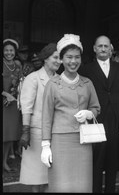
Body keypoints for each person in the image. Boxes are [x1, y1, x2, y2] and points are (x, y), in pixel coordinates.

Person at [40, 34, 100, 192]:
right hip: (59, 141)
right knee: (61, 184)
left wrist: (89, 113)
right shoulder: (52, 84)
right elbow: (46, 117)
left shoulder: (87, 83)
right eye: (69, 57)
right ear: (61, 59)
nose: (73, 61)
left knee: (82, 184)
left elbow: (96, 108)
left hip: (83, 141)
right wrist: (46, 145)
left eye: (77, 57)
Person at [79, 35, 119, 193]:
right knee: (96, 160)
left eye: (106, 46)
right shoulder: (86, 69)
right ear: (94, 48)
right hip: (95, 118)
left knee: (113, 159)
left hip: (115, 117)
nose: (103, 49)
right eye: (100, 46)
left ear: (111, 48)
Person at [19, 43, 61, 192]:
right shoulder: (33, 78)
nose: (59, 61)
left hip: (56, 133)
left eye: (60, 58)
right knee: (36, 178)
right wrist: (26, 130)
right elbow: (27, 106)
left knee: (50, 178)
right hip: (36, 133)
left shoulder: (60, 79)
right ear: (45, 59)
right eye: (55, 57)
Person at [2, 38, 22, 173]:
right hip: (3, 103)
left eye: (11, 50)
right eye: (6, 50)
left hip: (13, 104)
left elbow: (21, 83)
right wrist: (5, 94)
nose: (9, 53)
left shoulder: (18, 65)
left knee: (10, 136)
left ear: (15, 52)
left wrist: (15, 95)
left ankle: (4, 161)